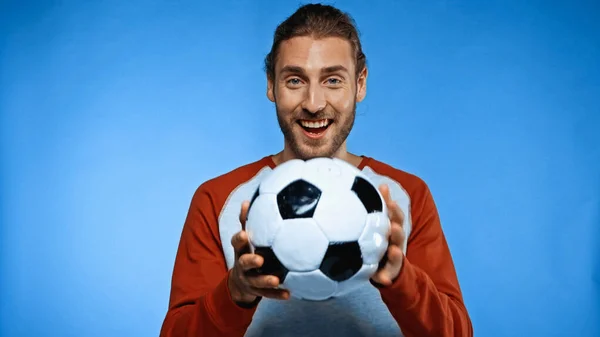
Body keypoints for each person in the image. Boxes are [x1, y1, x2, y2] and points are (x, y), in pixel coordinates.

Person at [159, 3, 473, 337]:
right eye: (295, 80)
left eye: (333, 80)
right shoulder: (219, 199)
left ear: (360, 84)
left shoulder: (404, 197)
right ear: (271, 85)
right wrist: (235, 293)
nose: (313, 103)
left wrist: (401, 278)